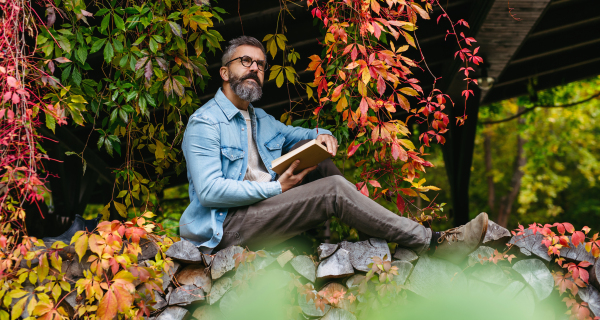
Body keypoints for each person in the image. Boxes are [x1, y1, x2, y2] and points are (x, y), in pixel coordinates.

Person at [180, 36, 488, 264]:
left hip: (260, 213)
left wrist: (323, 135)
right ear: (224, 72)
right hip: (226, 229)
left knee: (314, 152)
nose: (254, 69)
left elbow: (298, 134)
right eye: (245, 61)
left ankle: (372, 235)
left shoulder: (259, 119)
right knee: (335, 190)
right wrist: (274, 189)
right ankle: (434, 243)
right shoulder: (205, 123)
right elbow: (209, 191)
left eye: (260, 64)